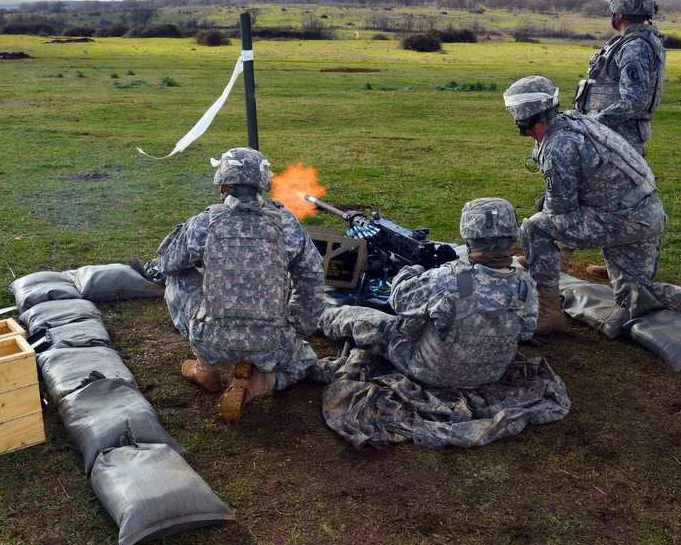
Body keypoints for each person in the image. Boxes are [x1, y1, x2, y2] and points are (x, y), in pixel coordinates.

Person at [502, 75, 681, 348]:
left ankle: (549, 315)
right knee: (634, 295)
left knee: (536, 226)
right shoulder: (578, 121)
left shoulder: (559, 145)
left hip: (621, 219)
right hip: (644, 215)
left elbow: (561, 210)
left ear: (524, 116)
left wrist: (540, 239)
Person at [154, 147, 325, 422]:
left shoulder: (205, 223)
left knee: (177, 276)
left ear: (223, 185)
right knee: (304, 363)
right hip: (272, 342)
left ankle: (204, 365)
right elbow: (312, 278)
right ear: (263, 185)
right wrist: (296, 327)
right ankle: (258, 383)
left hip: (211, 337)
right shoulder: (287, 224)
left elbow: (168, 264)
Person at [318, 198, 538, 389]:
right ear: (511, 236)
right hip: (490, 374)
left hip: (432, 371)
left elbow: (399, 300)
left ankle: (316, 311)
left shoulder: (447, 278)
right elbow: (526, 331)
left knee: (359, 318)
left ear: (469, 236)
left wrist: (416, 267)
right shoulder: (525, 286)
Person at [573, 0, 666, 157]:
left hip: (616, 137)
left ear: (619, 13)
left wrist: (594, 123)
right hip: (610, 136)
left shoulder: (634, 47)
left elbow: (635, 100)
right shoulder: (632, 42)